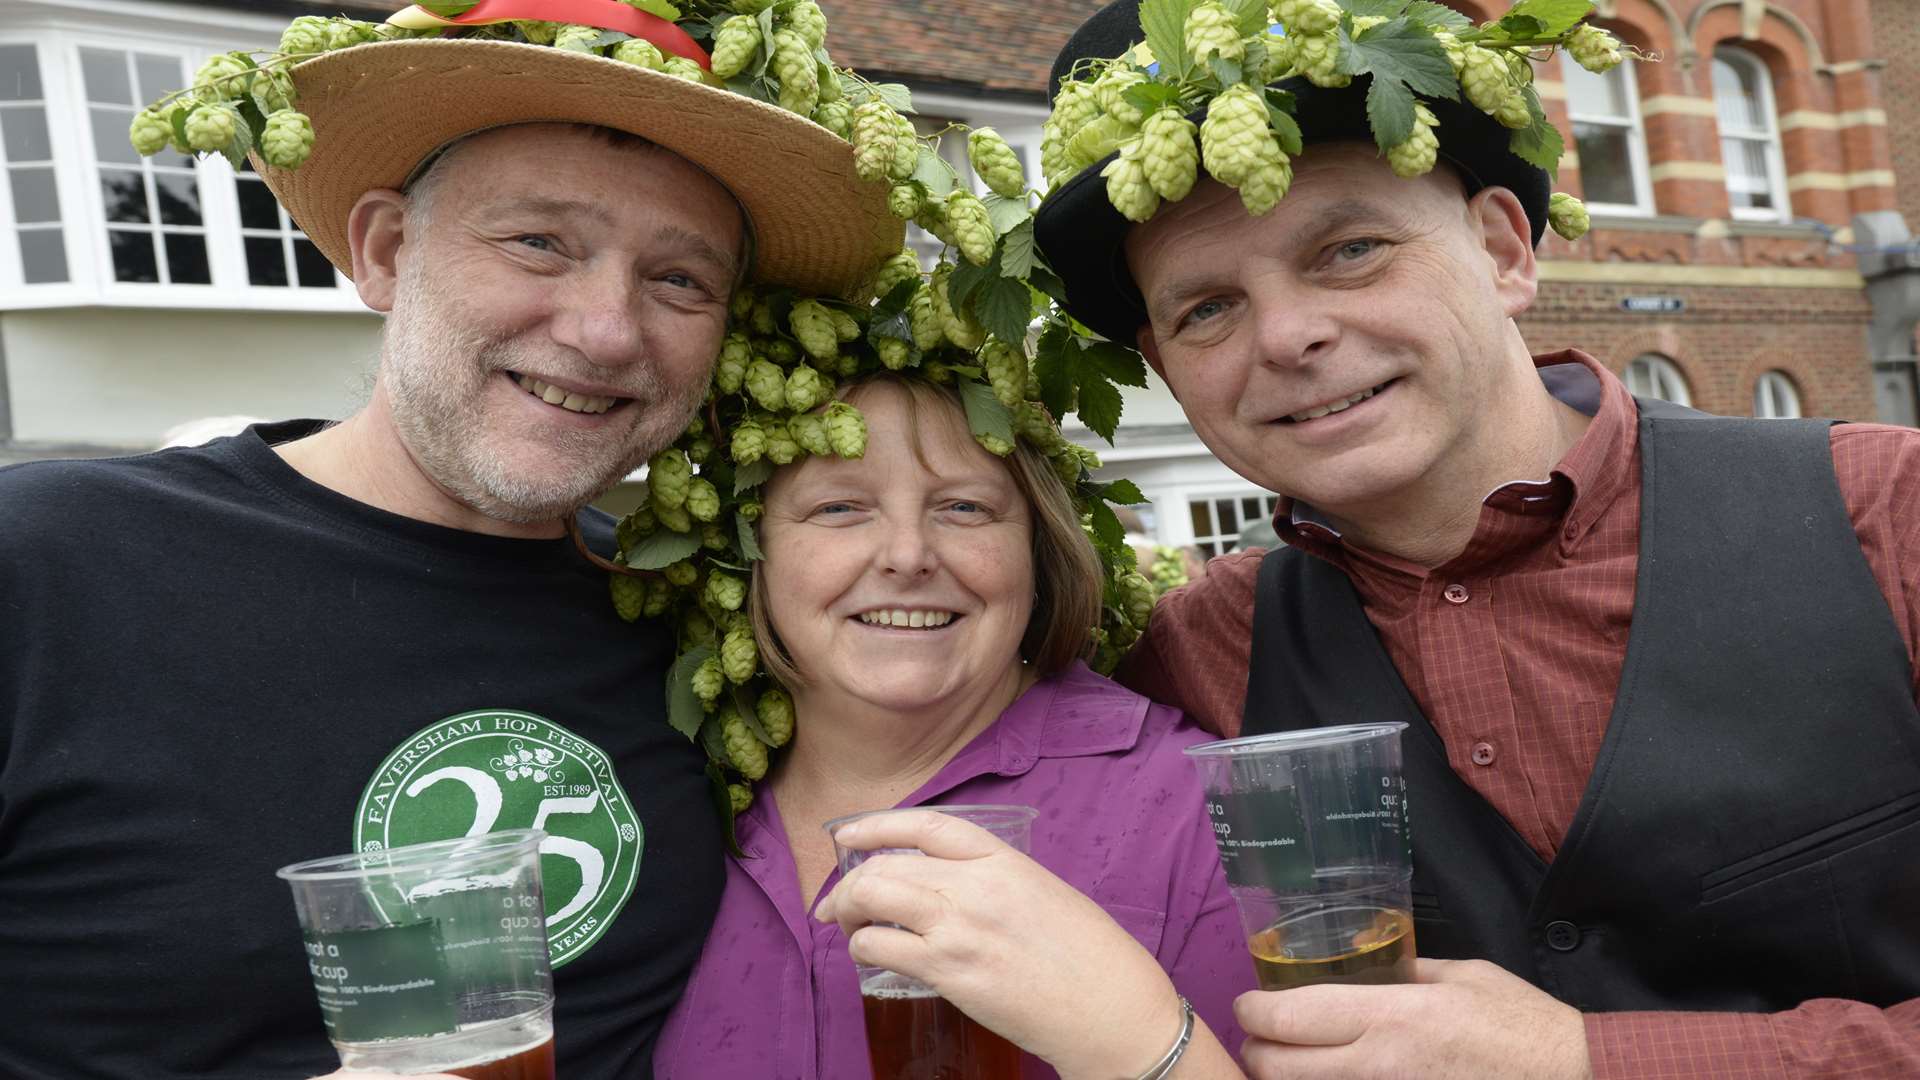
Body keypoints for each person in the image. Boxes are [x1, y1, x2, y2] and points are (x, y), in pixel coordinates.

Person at [0, 10, 901, 1079]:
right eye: (538, 243)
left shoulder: (707, 627)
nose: (607, 330)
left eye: (680, 281)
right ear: (385, 252)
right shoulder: (45, 563)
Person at [1031, 1, 1920, 1076]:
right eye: (1206, 310)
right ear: (1168, 370)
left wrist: (1588, 1058)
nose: (1289, 334)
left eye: (1350, 250)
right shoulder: (1192, 661)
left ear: (1502, 249)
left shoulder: (1887, 514)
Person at [649, 374, 1256, 1079]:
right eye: (840, 507)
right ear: (750, 554)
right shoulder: (662, 794)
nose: (907, 555)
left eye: (965, 507)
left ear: (1038, 549)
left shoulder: (1205, 808)